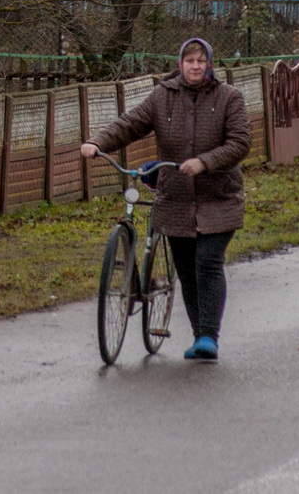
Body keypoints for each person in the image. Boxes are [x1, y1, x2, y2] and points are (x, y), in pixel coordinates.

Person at [80, 38, 251, 361]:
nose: (195, 66)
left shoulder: (229, 98)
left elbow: (240, 143)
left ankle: (207, 337)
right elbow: (131, 123)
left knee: (207, 262)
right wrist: (97, 142)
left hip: (219, 197)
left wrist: (205, 162)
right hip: (175, 198)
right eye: (189, 61)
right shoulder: (163, 96)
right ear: (180, 64)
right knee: (186, 269)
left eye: (201, 61)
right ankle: (200, 334)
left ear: (210, 64)